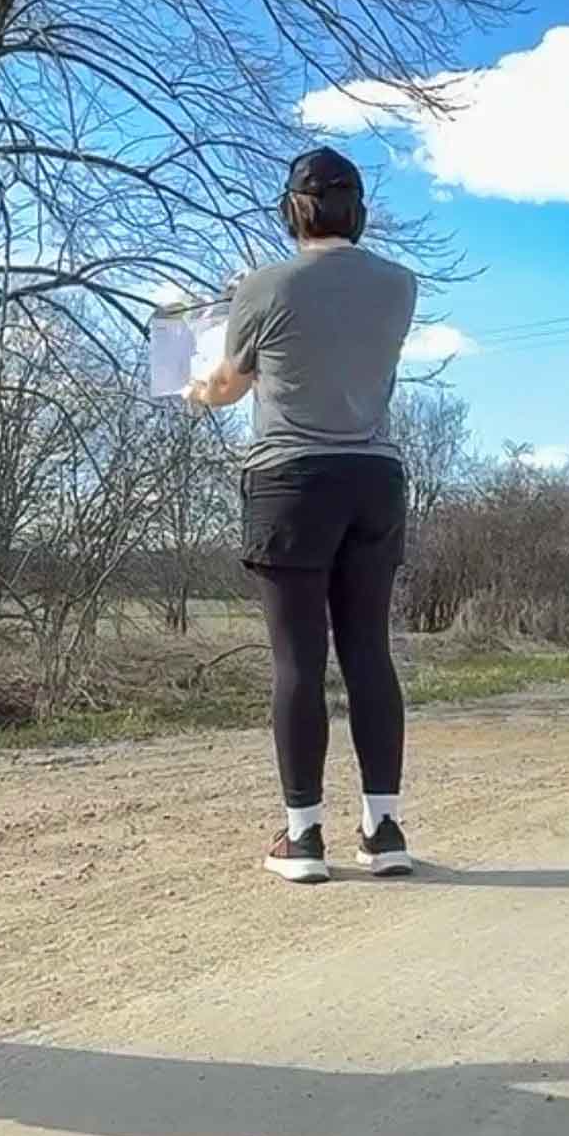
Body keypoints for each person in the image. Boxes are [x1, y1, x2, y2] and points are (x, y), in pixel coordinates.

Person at [186, 148, 418, 882]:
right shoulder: (401, 285)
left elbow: (228, 382)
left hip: (290, 479)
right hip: (375, 477)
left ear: (292, 211)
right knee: (368, 653)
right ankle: (383, 831)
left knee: (298, 660)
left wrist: (200, 389)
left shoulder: (262, 285)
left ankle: (303, 836)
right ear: (360, 210)